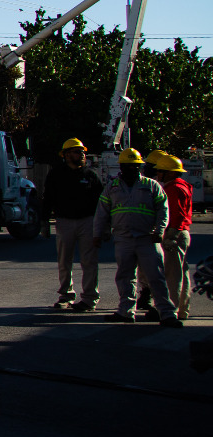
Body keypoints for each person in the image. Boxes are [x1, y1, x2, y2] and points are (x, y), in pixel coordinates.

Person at [95, 148, 176, 327]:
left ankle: (167, 313)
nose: (132, 169)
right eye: (129, 166)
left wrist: (160, 231)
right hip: (123, 239)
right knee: (125, 277)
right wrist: (98, 234)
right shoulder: (112, 187)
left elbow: (164, 210)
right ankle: (125, 311)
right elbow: (102, 212)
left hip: (148, 238)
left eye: (135, 166)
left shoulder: (152, 186)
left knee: (156, 277)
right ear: (122, 167)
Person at [44, 137, 103, 311]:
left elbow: (102, 203)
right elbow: (48, 198)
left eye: (83, 152)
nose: (82, 155)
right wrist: (44, 222)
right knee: (64, 260)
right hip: (64, 221)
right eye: (78, 152)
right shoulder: (56, 174)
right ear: (67, 155)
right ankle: (66, 295)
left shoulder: (91, 176)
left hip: (87, 222)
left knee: (89, 261)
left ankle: (90, 297)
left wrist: (103, 226)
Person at [148, 152, 194, 322]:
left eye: (161, 171)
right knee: (181, 273)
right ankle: (182, 309)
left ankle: (171, 310)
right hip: (180, 233)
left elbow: (177, 214)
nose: (158, 174)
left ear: (171, 172)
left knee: (172, 275)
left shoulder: (173, 188)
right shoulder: (182, 186)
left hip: (174, 234)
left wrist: (171, 235)